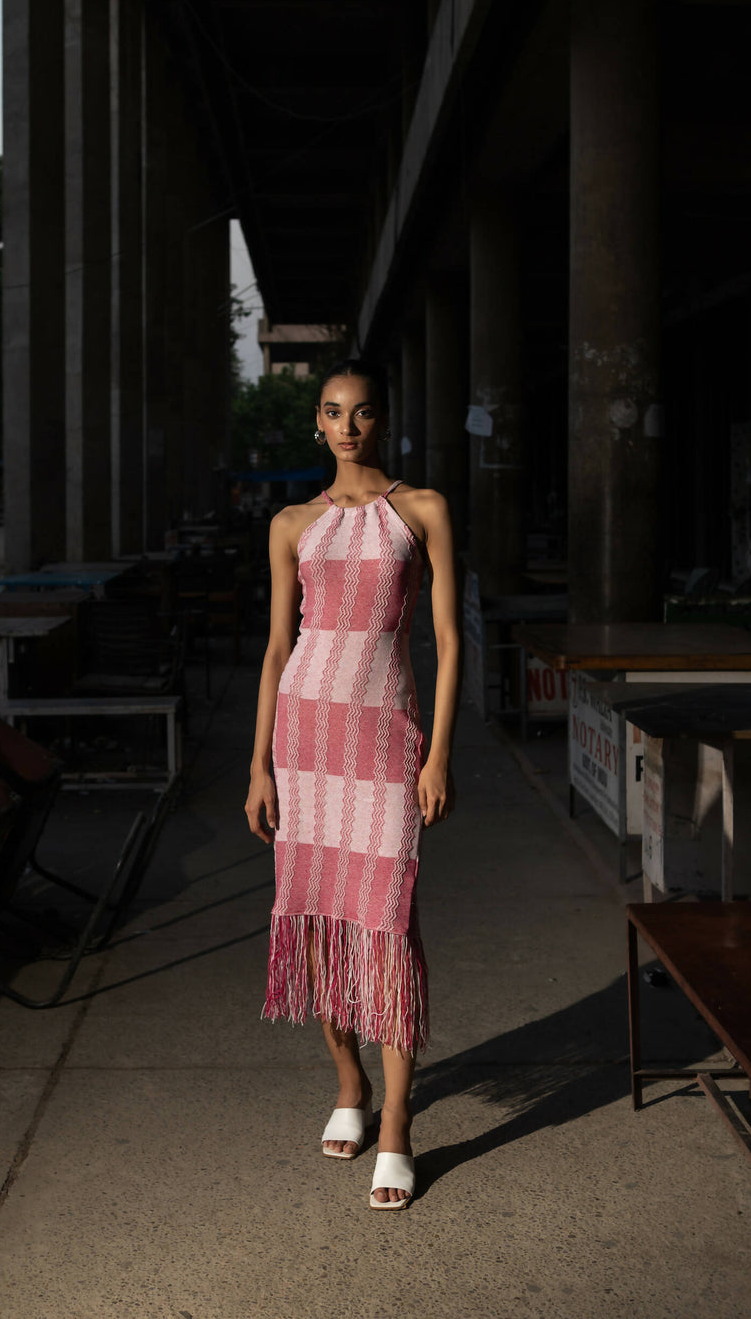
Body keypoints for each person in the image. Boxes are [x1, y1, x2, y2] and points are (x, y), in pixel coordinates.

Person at [244, 357, 459, 1211]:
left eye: (363, 412)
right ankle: (350, 1085)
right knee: (318, 919)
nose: (348, 426)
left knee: (387, 921)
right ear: (317, 424)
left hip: (383, 738)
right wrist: (258, 762)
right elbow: (273, 649)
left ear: (384, 420)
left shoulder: (423, 511)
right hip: (304, 737)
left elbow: (447, 643)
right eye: (333, 412)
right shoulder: (290, 523)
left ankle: (400, 1121)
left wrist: (439, 755)